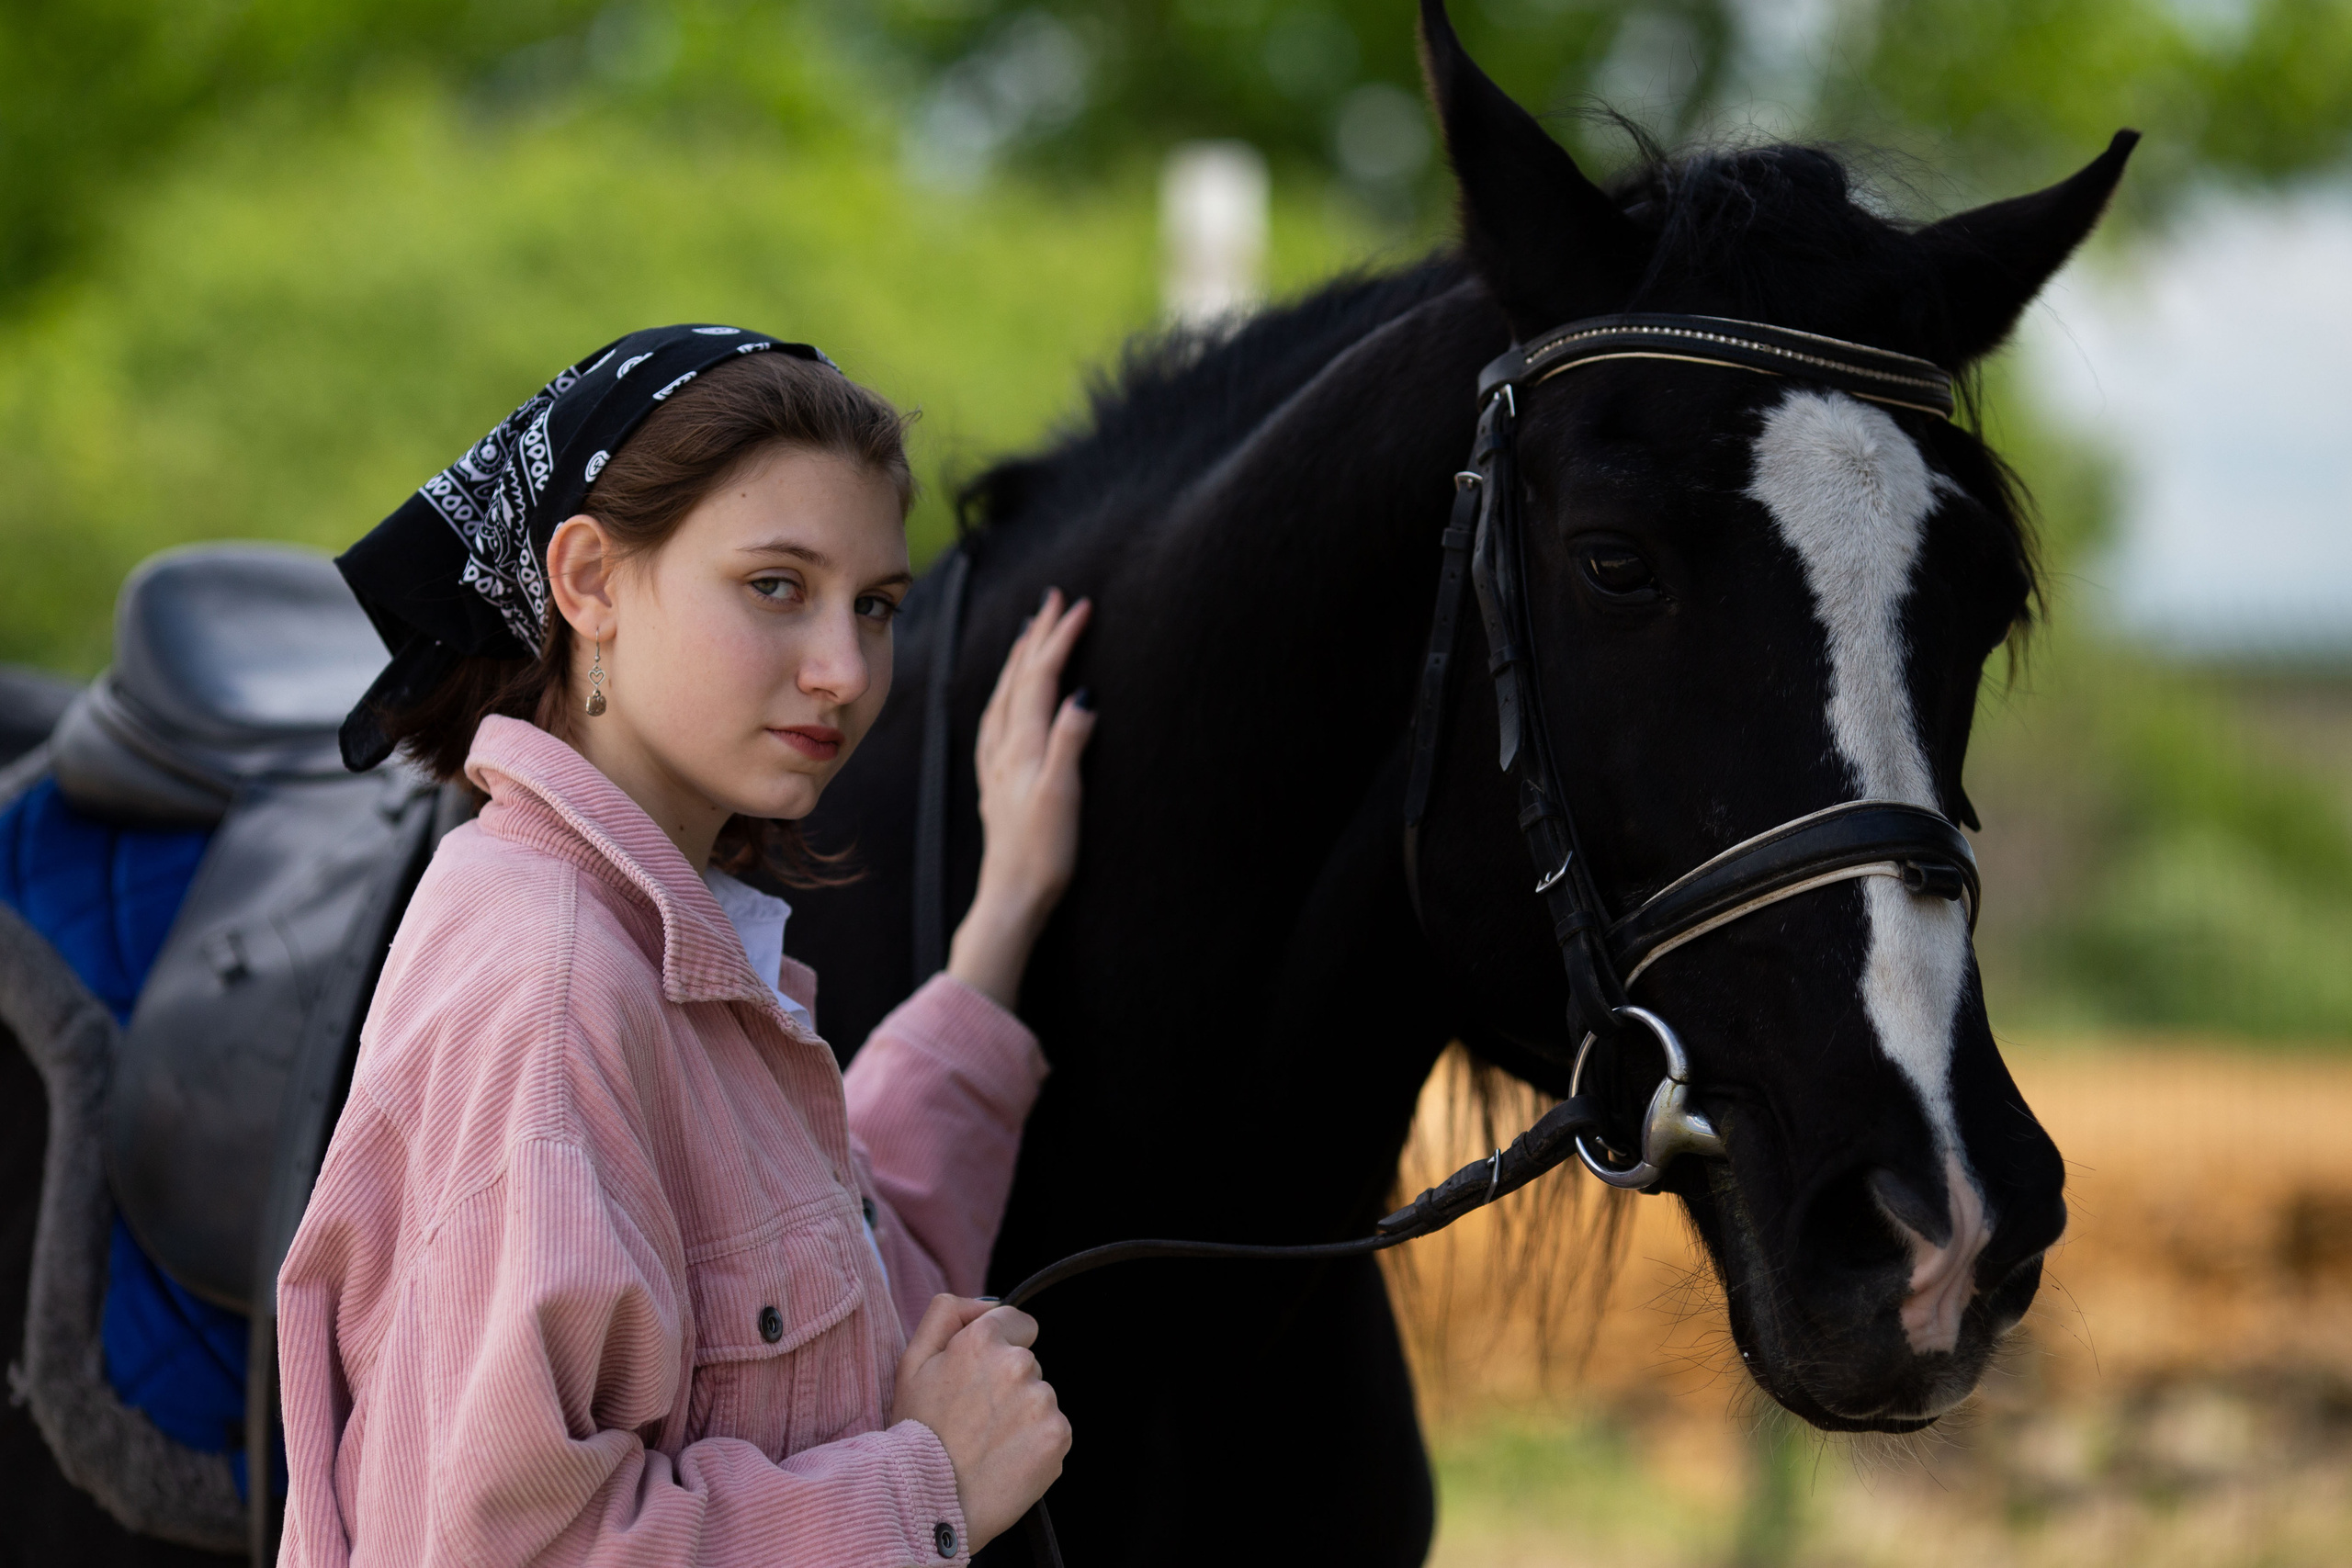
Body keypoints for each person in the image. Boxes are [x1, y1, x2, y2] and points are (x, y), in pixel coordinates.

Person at [277, 325, 1091, 1566]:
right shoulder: (551, 988)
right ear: (590, 581)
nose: (844, 670)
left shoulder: (651, 936)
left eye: (875, 607)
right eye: (776, 587)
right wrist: (922, 1488)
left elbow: (850, 1270)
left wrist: (1008, 909)